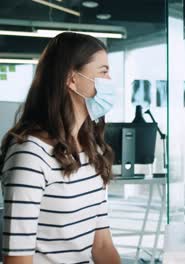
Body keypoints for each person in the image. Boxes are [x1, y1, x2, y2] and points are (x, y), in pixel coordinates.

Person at [0, 32, 120, 263]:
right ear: (72, 79)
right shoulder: (30, 155)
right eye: (103, 72)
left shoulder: (90, 149)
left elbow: (102, 245)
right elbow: (18, 260)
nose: (110, 81)